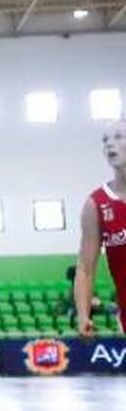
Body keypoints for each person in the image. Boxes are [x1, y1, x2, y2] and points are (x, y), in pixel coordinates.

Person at [76, 120, 126, 337]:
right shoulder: (96, 204)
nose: (109, 144)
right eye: (105, 140)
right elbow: (85, 268)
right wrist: (83, 314)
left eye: (118, 136)